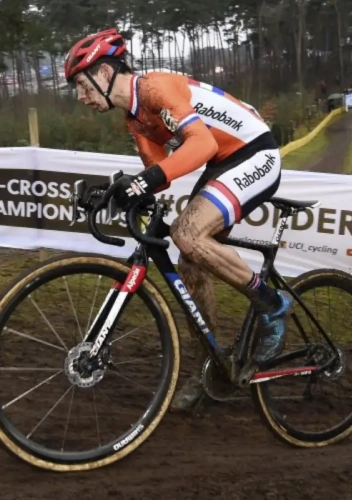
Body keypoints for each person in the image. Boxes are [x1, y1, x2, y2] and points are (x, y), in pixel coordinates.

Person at [64, 28, 292, 410]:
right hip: (223, 161)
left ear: (104, 73)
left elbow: (200, 145)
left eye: (81, 84)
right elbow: (158, 174)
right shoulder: (135, 121)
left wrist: (145, 182)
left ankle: (273, 304)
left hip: (255, 152)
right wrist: (113, 193)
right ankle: (212, 367)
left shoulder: (154, 89)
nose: (80, 96)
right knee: (191, 263)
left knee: (187, 233)